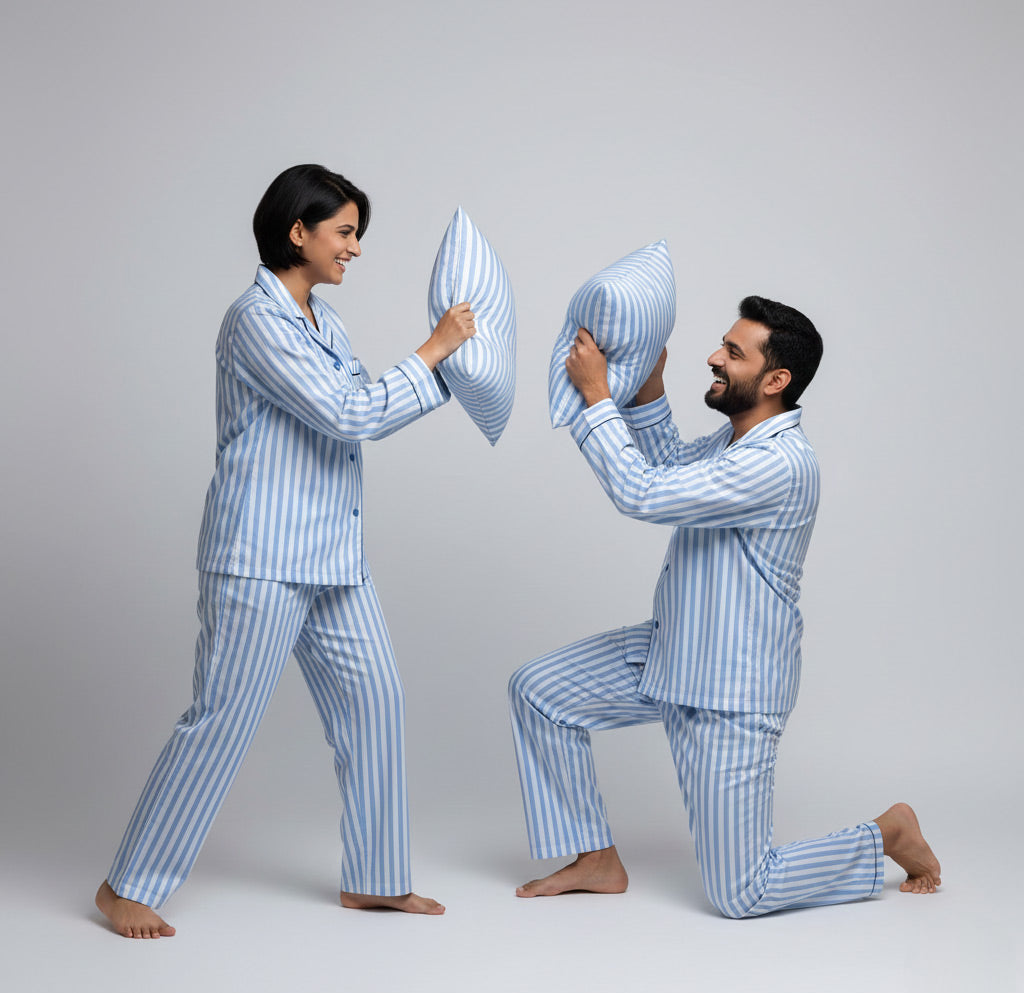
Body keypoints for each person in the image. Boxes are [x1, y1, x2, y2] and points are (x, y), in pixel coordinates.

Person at [96, 164, 476, 938]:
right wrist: (433, 351)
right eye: (345, 231)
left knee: (376, 704)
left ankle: (375, 878)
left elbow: (362, 405)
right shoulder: (256, 321)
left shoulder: (321, 320)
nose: (356, 248)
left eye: (357, 233)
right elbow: (348, 413)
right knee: (222, 720)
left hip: (333, 556)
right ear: (297, 231)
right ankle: (128, 884)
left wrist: (447, 373)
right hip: (261, 558)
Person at [508, 296, 941, 917]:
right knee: (538, 692)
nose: (713, 357)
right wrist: (648, 392)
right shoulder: (733, 442)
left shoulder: (779, 463)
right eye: (722, 344)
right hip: (668, 654)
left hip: (730, 693)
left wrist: (597, 397)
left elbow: (642, 492)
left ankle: (887, 833)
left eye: (733, 353)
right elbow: (666, 468)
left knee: (742, 892)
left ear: (775, 380)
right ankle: (594, 858)